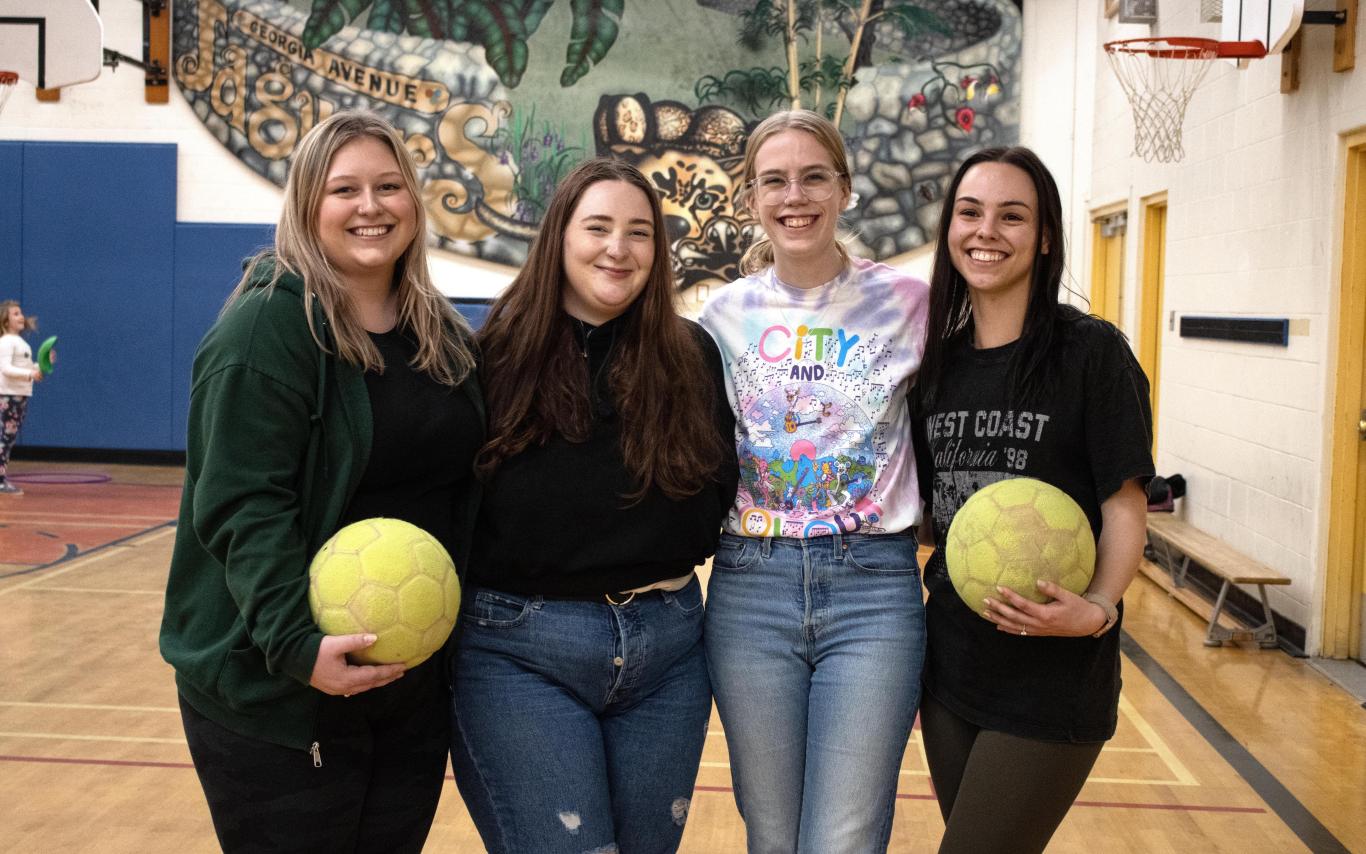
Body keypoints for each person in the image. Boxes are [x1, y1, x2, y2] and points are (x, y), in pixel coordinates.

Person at [159, 110, 484, 853]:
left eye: (388, 186)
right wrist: (298, 647)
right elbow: (244, 505)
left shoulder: (439, 333)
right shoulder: (266, 330)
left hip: (404, 685)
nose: (370, 207)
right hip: (281, 692)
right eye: (345, 190)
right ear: (307, 206)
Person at [448, 157, 737, 854]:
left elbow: (715, 496)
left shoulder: (692, 355)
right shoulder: (493, 356)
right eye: (598, 227)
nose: (619, 248)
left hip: (667, 650)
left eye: (639, 233)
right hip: (519, 649)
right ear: (559, 237)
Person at [698, 109, 931, 853]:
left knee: (845, 836)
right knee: (771, 833)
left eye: (812, 177)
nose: (794, 196)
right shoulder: (720, 316)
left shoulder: (910, 303)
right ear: (751, 197)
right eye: (774, 180)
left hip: (873, 587)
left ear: (844, 189)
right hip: (750, 586)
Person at [910, 146, 1153, 853]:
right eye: (970, 212)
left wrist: (1100, 609)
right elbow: (937, 518)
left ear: (1044, 236)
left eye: (1012, 216)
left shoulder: (1092, 354)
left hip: (1050, 681)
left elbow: (1125, 505)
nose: (988, 231)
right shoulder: (939, 369)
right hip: (951, 668)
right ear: (949, 228)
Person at [0, 300, 41, 495]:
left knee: (8, 439)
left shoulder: (20, 343)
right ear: (5, 321)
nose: (21, 316)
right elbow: (6, 369)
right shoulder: (7, 342)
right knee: (3, 439)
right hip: (7, 396)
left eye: (21, 313)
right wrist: (29, 374)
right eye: (15, 314)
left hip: (19, 396)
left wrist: (40, 366)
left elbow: (28, 370)